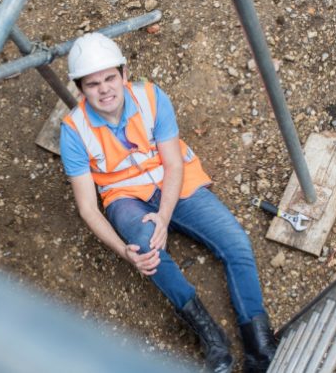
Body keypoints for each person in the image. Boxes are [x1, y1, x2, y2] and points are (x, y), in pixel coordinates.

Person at [60, 32, 277, 373]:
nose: (104, 89)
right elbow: (88, 207)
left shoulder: (150, 97)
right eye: (92, 84)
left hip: (176, 182)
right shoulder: (73, 130)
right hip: (125, 197)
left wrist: (163, 217)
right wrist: (124, 250)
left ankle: (260, 349)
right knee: (147, 252)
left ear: (124, 74)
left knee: (235, 243)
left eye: (109, 78)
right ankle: (212, 338)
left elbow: (173, 163)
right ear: (80, 89)